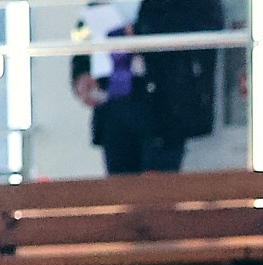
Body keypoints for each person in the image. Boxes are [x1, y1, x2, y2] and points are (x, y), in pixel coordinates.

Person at [72, 0, 222, 176]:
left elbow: (207, 21)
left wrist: (142, 33)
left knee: (159, 187)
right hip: (113, 103)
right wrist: (81, 70)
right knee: (119, 186)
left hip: (164, 101)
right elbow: (83, 30)